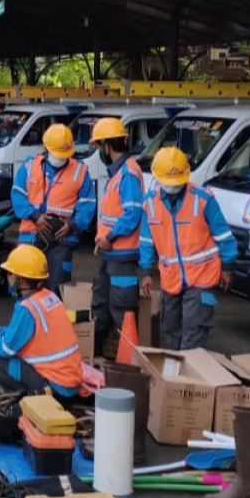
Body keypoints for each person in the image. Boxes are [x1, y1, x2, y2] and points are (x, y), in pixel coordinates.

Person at [138, 147, 236, 350]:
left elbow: (224, 235)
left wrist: (228, 266)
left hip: (203, 275)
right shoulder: (150, 204)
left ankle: (188, 379)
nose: (173, 187)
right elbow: (147, 241)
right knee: (170, 330)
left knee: (193, 331)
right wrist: (146, 271)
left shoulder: (203, 199)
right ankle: (173, 377)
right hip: (171, 278)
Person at [0, 244, 83, 396]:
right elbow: (21, 335)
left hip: (55, 385)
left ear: (21, 279)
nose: (8, 277)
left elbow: (7, 349)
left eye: (11, 274)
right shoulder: (48, 296)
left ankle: (22, 397)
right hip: (68, 381)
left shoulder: (28, 308)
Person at [12, 123, 96, 290]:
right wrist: (35, 216)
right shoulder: (30, 167)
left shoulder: (80, 171)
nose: (60, 158)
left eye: (64, 154)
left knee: (57, 291)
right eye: (57, 154)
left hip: (62, 240)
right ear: (46, 148)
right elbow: (17, 196)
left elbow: (87, 206)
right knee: (26, 289)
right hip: (30, 237)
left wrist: (72, 225)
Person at [89, 117, 144, 357]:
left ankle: (132, 365)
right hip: (110, 252)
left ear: (106, 146)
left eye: (99, 146)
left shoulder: (128, 173)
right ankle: (95, 356)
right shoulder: (120, 172)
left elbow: (132, 213)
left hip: (121, 254)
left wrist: (109, 236)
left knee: (121, 310)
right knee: (100, 304)